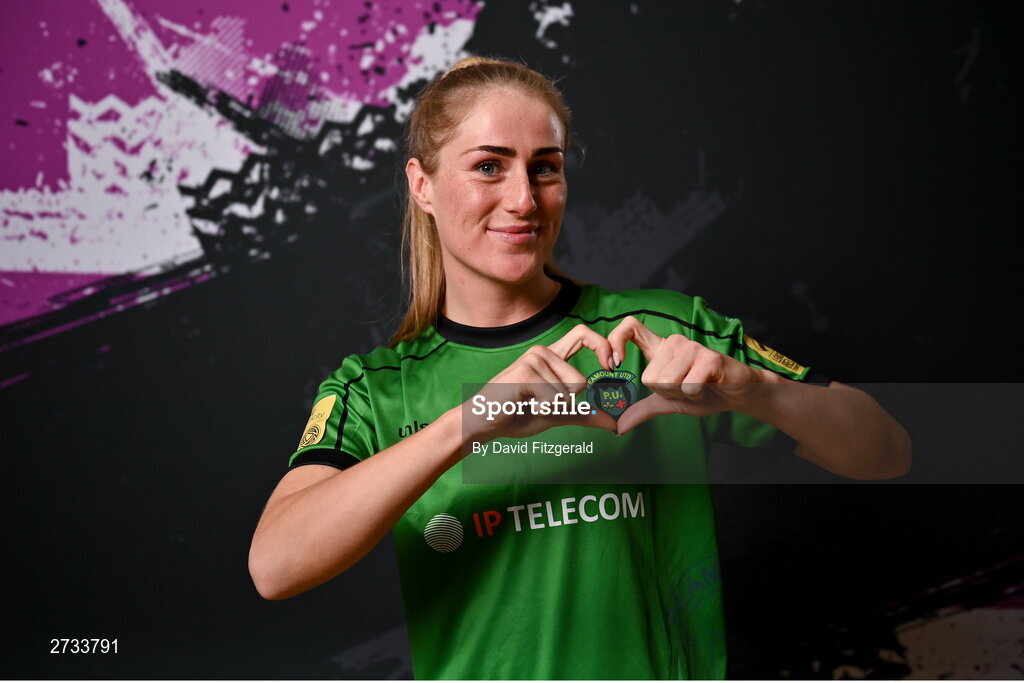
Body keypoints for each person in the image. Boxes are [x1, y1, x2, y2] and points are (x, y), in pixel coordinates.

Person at [248, 56, 911, 679]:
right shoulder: (376, 389)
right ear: (423, 184)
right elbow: (275, 564)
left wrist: (757, 391)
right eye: (488, 166)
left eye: (545, 167)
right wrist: (471, 421)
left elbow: (888, 450)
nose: (523, 200)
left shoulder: (658, 331)